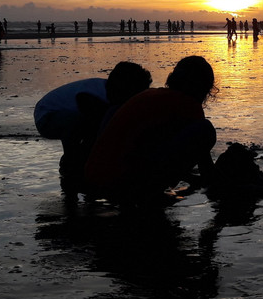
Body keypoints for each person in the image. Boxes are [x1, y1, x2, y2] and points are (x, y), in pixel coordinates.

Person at [85, 55, 217, 204]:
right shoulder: (190, 107)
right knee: (205, 130)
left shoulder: (151, 96)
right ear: (204, 88)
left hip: (94, 177)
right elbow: (205, 166)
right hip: (122, 184)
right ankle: (149, 195)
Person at [34, 62, 153, 190]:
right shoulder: (93, 95)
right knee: (89, 126)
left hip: (64, 115)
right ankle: (70, 162)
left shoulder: (110, 94)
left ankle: (80, 161)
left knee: (95, 128)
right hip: (48, 117)